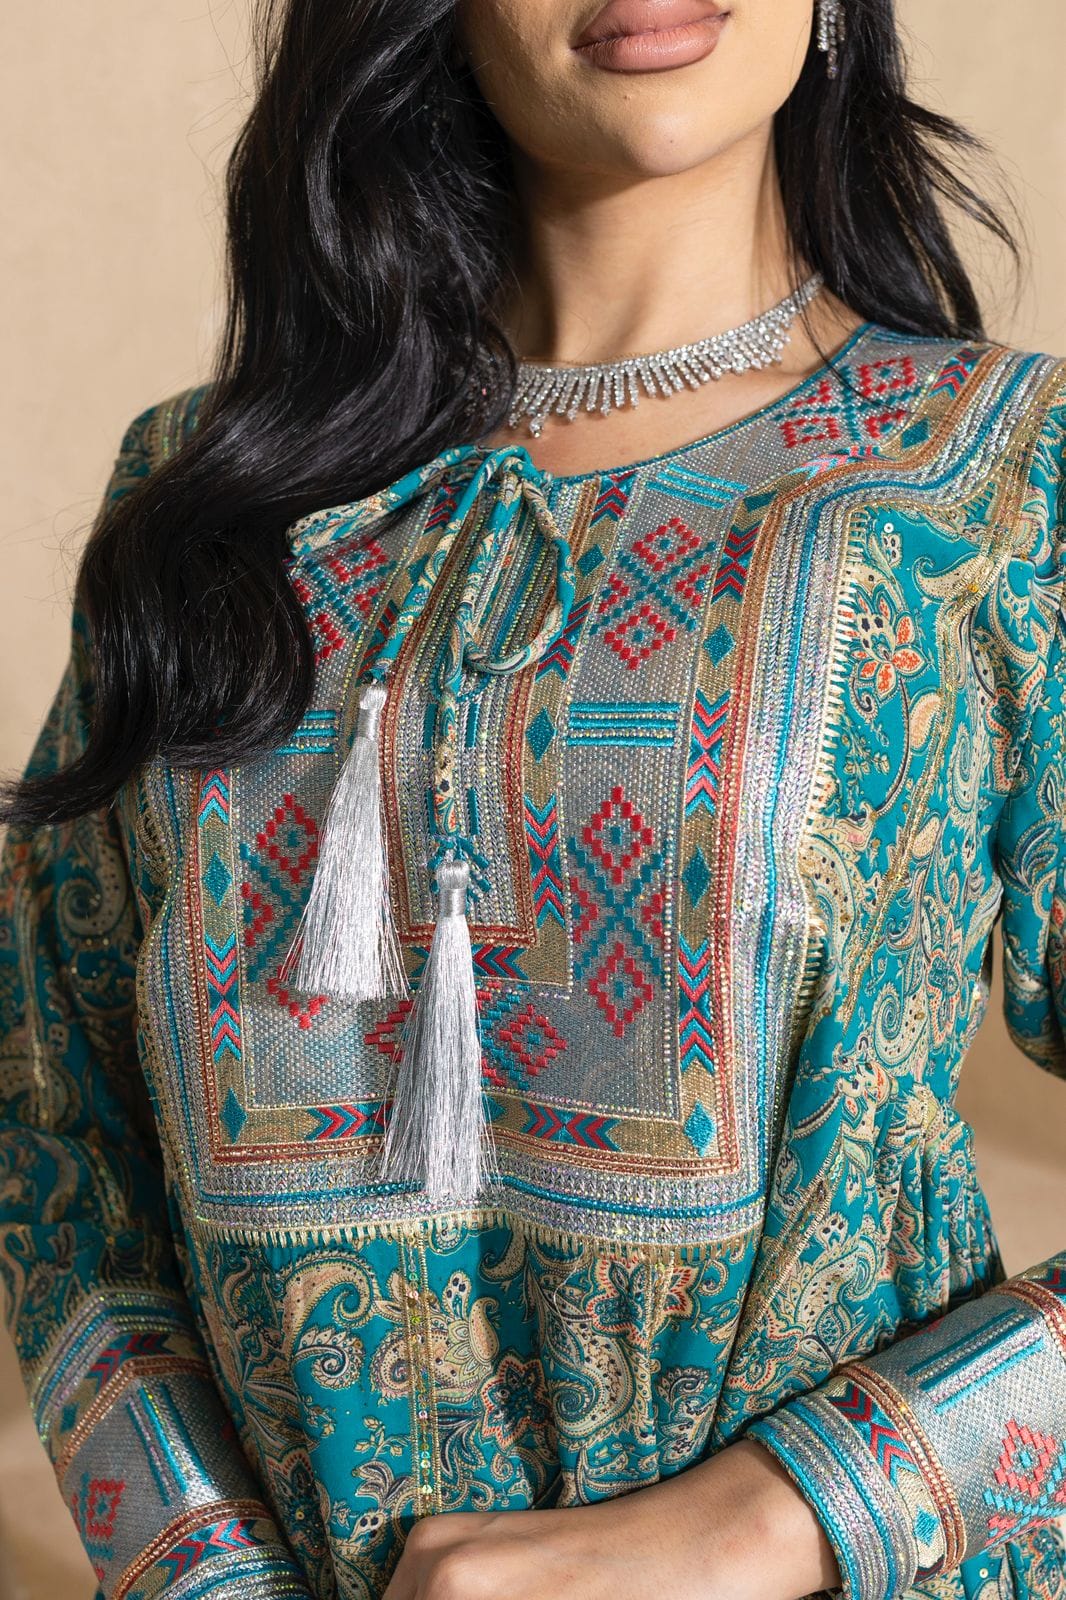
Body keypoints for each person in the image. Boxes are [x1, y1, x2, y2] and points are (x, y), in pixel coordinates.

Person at [2, 1, 1064, 1598]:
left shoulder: (999, 481)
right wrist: (204, 1576)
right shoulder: (205, 507)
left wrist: (769, 1518)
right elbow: (53, 1130)